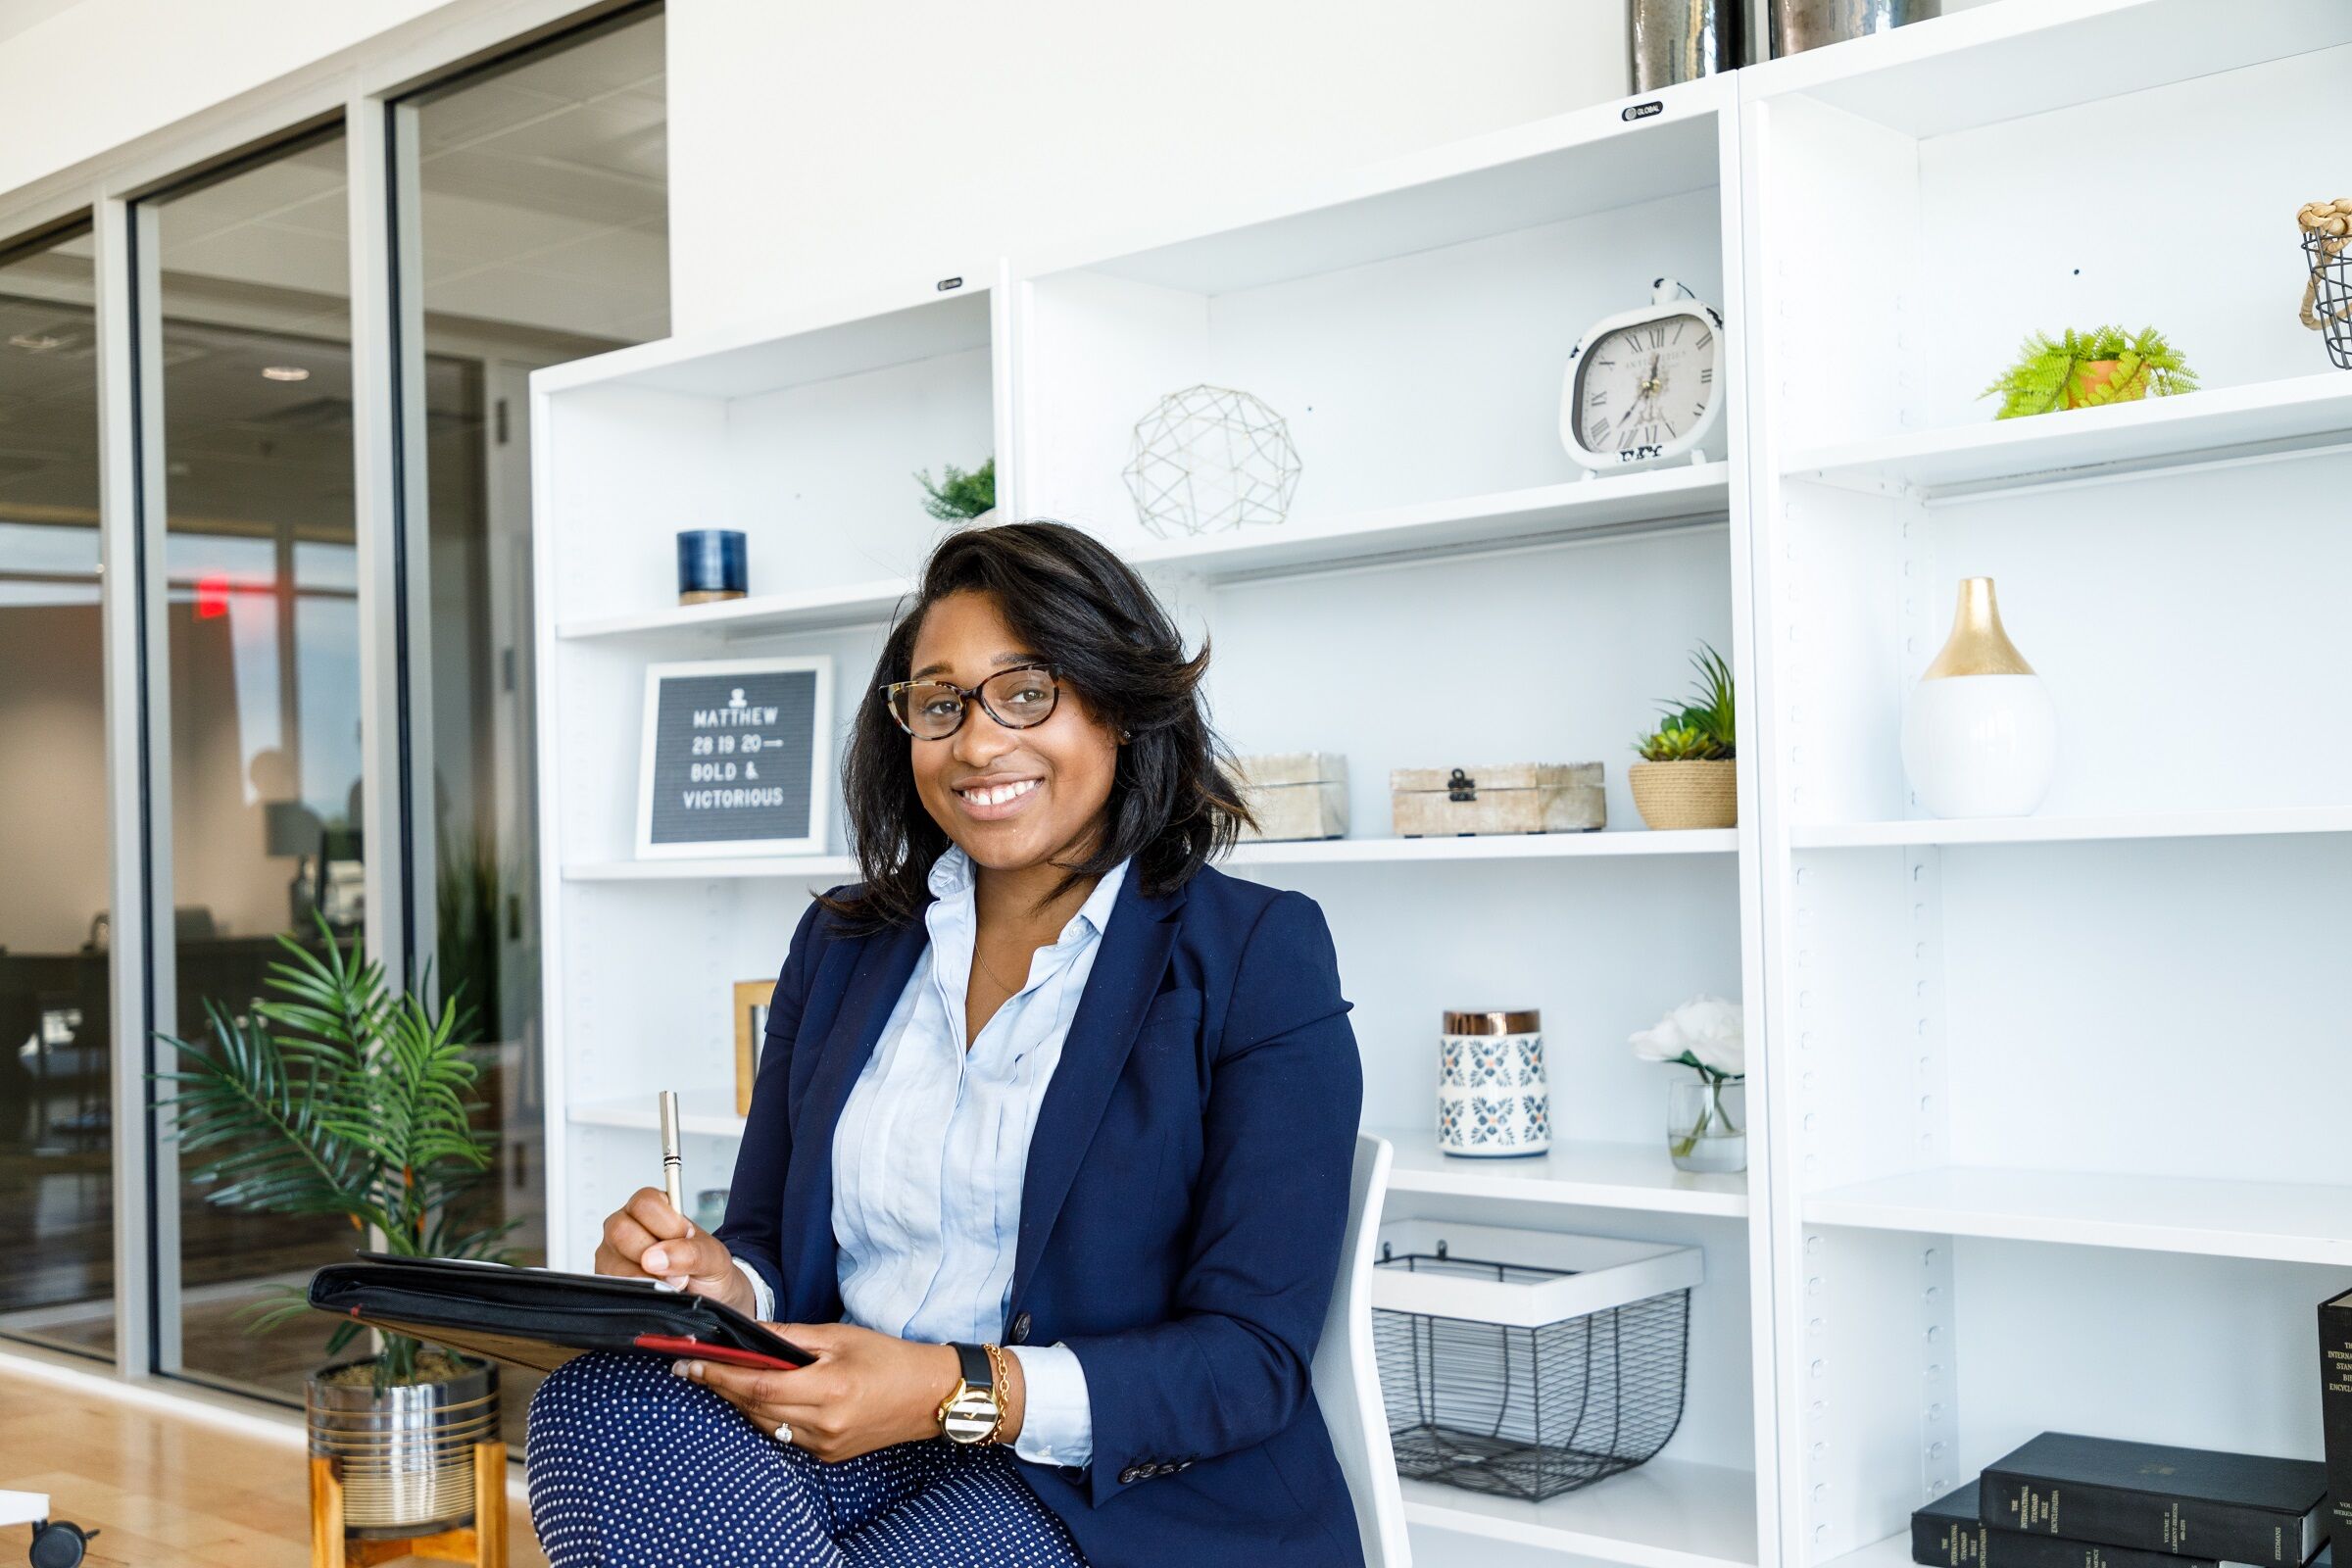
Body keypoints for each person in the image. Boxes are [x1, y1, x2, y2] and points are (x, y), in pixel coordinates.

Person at [526, 520, 1367, 1567]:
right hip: (839, 1422)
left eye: (1026, 692)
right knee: (597, 1403)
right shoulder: (844, 943)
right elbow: (771, 1247)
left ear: (1119, 702)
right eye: (940, 703)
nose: (976, 743)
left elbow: (1250, 1360)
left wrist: (951, 1389)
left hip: (1108, 1486)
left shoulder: (1253, 952)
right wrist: (723, 1285)